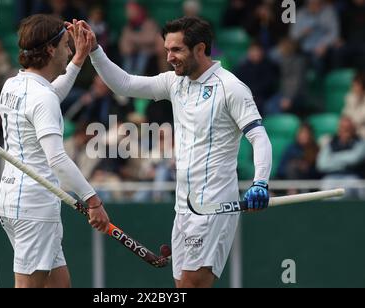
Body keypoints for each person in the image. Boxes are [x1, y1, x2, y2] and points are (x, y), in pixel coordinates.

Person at [72, 16, 272, 288]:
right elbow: (125, 84)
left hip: (214, 205)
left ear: (200, 49)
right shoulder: (174, 82)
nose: (169, 57)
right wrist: (95, 50)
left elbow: (259, 138)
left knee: (191, 284)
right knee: (182, 286)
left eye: (176, 50)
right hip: (183, 207)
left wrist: (260, 181)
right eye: (167, 50)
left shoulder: (232, 88)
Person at [0, 14, 110, 289]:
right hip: (34, 207)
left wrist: (79, 60)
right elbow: (57, 158)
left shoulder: (14, 84)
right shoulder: (41, 97)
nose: (69, 50)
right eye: (66, 46)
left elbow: (48, 96)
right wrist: (93, 201)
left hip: (15, 200)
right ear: (49, 49)